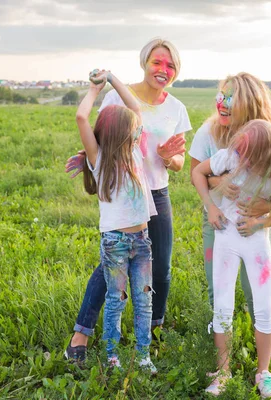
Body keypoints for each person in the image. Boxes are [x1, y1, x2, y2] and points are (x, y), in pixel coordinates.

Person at [65, 38, 192, 362]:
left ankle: (152, 329)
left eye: (170, 65)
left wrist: (168, 157)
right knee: (109, 268)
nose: (163, 70)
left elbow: (179, 160)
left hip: (156, 194)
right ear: (144, 62)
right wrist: (89, 157)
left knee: (160, 267)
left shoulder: (176, 108)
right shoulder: (115, 98)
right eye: (157, 62)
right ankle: (82, 332)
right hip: (121, 195)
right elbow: (100, 135)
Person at [191, 119, 271, 398]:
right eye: (239, 154)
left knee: (264, 307)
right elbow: (197, 172)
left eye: (248, 157)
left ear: (265, 155)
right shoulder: (230, 156)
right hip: (225, 240)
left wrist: (261, 223)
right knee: (222, 307)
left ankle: (264, 373)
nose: (241, 161)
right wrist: (211, 207)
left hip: (256, 245)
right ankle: (222, 372)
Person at [75, 68, 157, 372]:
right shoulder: (100, 160)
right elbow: (82, 119)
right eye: (133, 128)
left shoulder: (134, 153)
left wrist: (112, 79)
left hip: (141, 241)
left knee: (144, 300)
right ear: (123, 133)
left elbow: (135, 107)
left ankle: (143, 356)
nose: (139, 129)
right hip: (116, 243)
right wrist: (96, 89)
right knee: (116, 300)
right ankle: (112, 356)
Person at [188, 72, 271, 320]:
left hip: (254, 222)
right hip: (217, 219)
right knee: (217, 286)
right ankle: (218, 341)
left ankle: (266, 334)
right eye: (221, 96)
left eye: (231, 99)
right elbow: (195, 173)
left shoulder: (267, 136)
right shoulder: (207, 133)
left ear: (250, 104)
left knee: (256, 286)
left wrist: (266, 206)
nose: (222, 103)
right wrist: (218, 182)